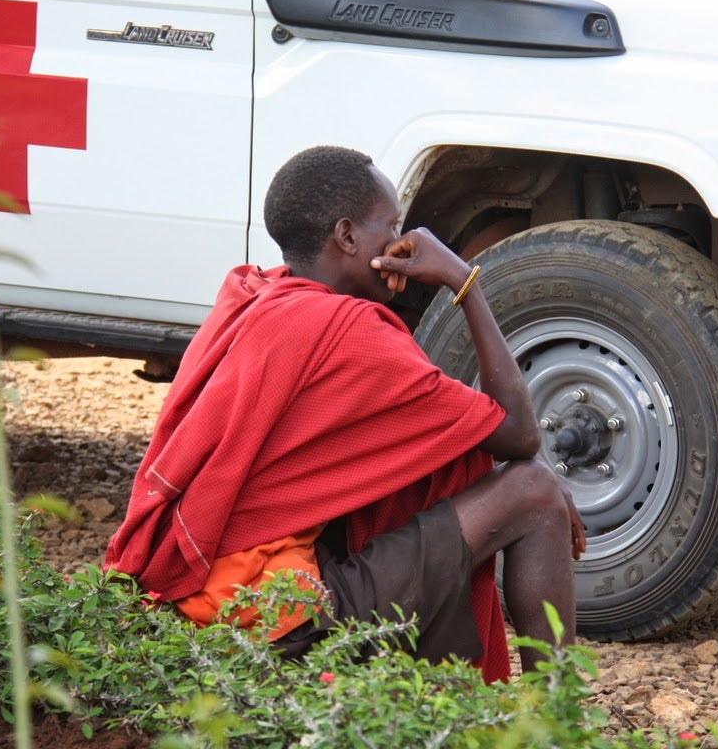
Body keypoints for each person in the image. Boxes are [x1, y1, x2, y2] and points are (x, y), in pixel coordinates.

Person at [105, 146, 587, 682]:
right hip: (277, 622)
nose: (405, 244)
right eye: (393, 225)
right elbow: (519, 436)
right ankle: (557, 718)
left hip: (202, 602)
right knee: (536, 490)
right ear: (349, 237)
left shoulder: (252, 296)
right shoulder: (352, 334)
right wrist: (463, 280)